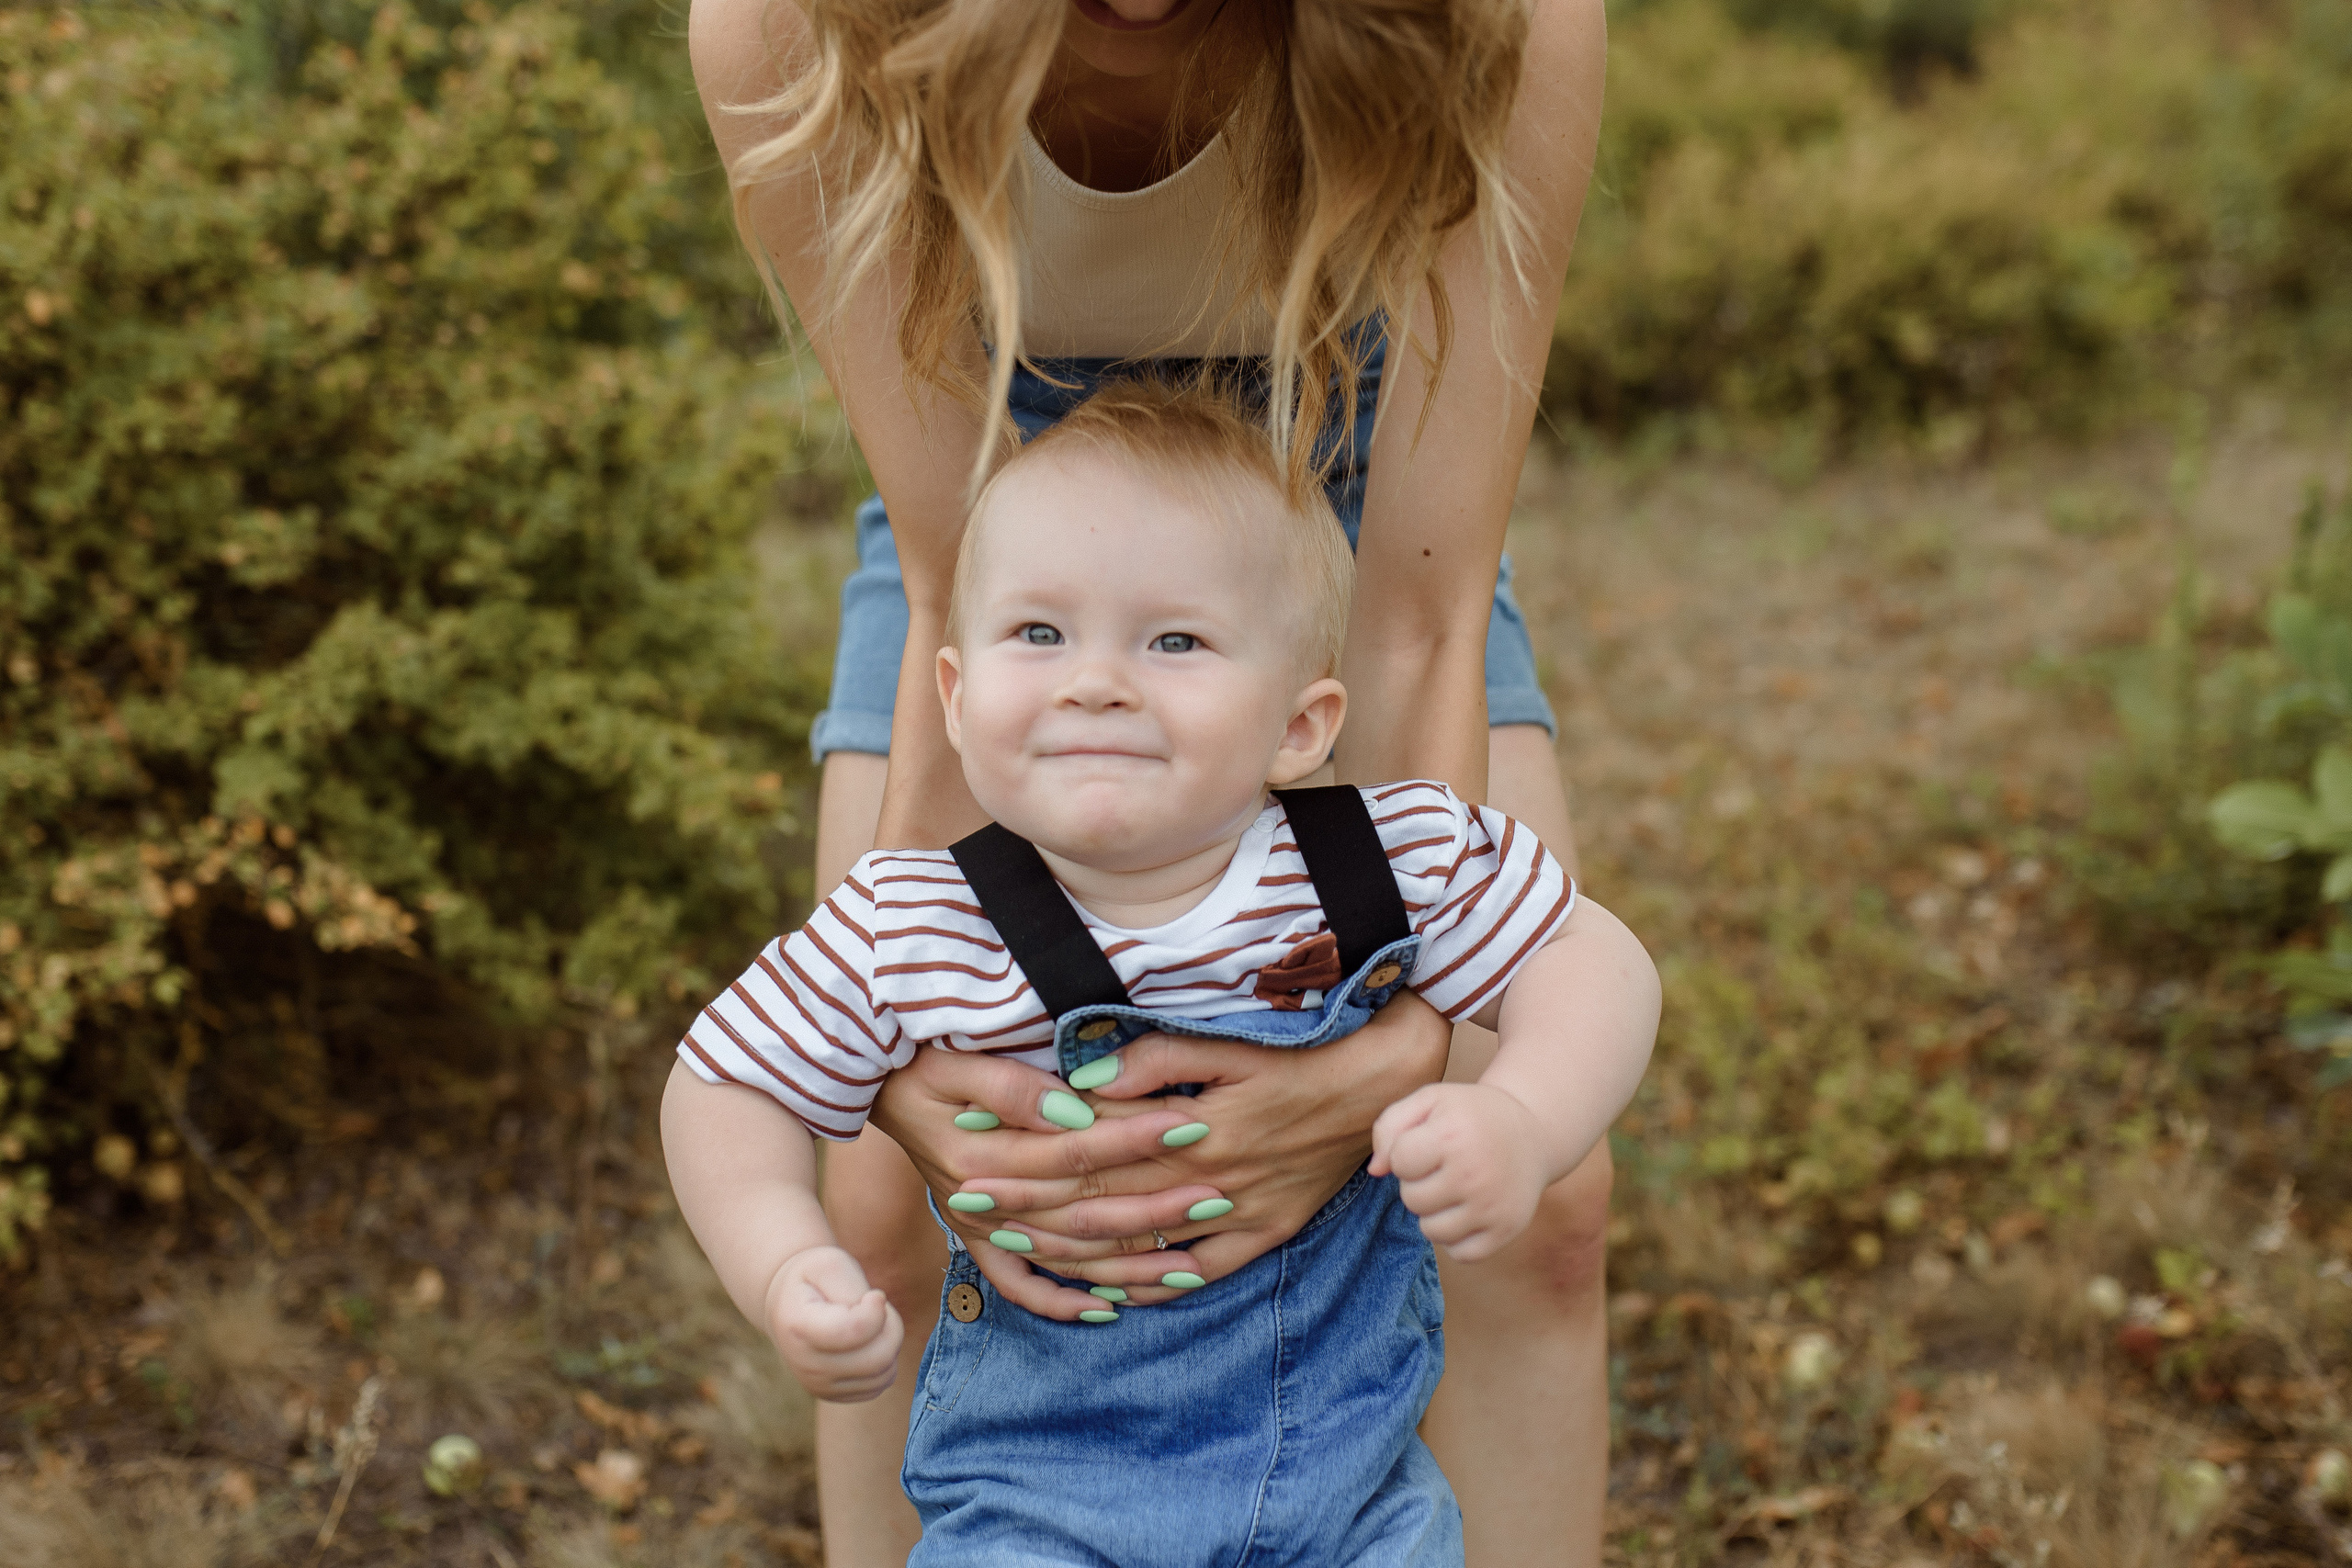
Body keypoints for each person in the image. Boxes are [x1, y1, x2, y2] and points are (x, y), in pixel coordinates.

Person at [684, 0, 1614, 1561]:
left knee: (1547, 1217)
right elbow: (944, 565)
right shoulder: (786, 24)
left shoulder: (1499, 18)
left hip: (1352, 500)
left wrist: (1394, 1057)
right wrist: (907, 1085)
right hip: (1008, 522)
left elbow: (1418, 612)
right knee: (882, 1212)